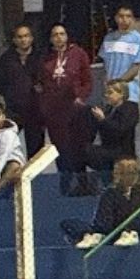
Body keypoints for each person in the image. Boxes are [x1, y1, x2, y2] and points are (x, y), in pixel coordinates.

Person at [36, 24, 93, 195]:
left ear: (67, 36)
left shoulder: (78, 54)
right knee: (60, 148)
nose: (59, 37)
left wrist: (81, 97)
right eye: (55, 34)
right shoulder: (45, 57)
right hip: (54, 111)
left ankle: (83, 184)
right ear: (50, 38)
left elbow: (87, 80)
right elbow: (38, 80)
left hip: (74, 109)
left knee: (77, 145)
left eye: (62, 34)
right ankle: (65, 185)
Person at [60, 158, 140, 249]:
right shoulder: (111, 192)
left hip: (135, 230)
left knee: (114, 194)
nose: (124, 177)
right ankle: (91, 235)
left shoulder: (139, 192)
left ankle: (129, 233)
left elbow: (138, 217)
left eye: (128, 173)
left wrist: (129, 229)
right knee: (68, 223)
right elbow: (105, 218)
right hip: (111, 229)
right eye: (120, 173)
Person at [0, 24, 45, 156]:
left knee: (36, 152)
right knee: (6, 146)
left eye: (26, 36)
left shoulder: (40, 57)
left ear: (31, 38)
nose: (23, 40)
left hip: (35, 111)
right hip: (14, 110)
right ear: (14, 40)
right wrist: (10, 94)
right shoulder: (6, 59)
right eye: (20, 37)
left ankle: (35, 177)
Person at [84, 81, 140, 179]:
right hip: (107, 150)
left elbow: (121, 129)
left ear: (121, 94)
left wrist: (103, 120)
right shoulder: (108, 109)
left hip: (122, 151)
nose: (106, 95)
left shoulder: (130, 108)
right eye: (106, 93)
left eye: (110, 93)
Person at [99, 5, 140, 105]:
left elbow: (136, 66)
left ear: (133, 19)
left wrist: (119, 83)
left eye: (128, 16)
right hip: (110, 95)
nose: (124, 19)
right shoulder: (108, 38)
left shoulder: (137, 39)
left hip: (129, 94)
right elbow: (104, 65)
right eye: (121, 16)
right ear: (116, 18)